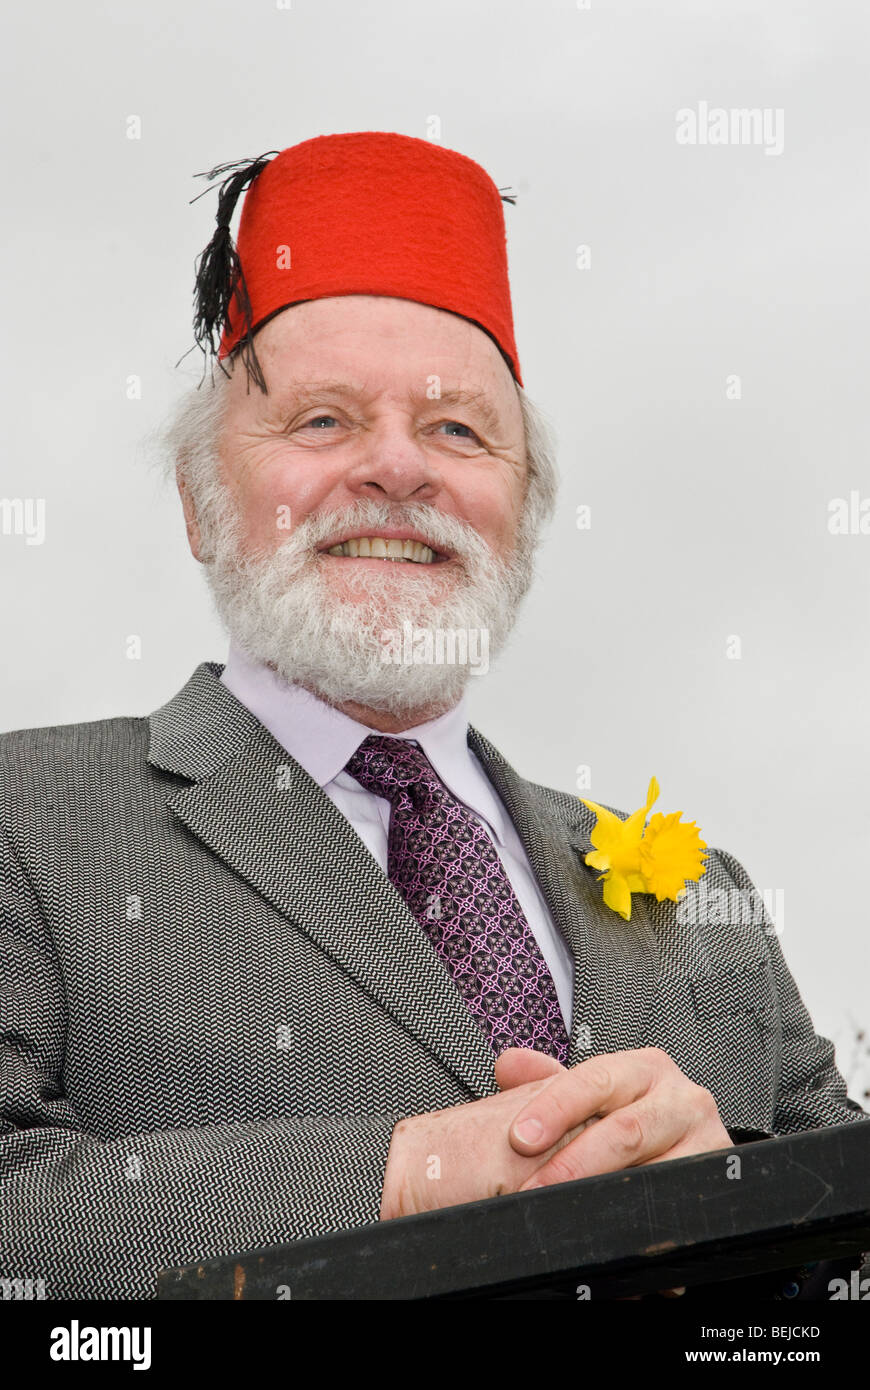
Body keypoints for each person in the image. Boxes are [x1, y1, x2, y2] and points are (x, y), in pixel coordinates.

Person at [0, 132, 864, 1301]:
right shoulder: (27, 821)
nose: (398, 470)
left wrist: (727, 1202)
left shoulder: (706, 897)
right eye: (322, 421)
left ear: (523, 508)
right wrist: (410, 1174)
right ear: (201, 503)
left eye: (458, 429)